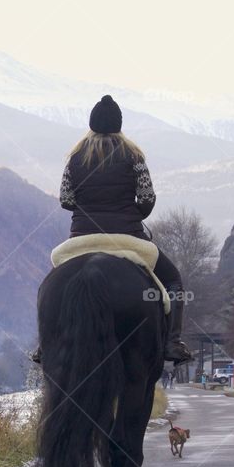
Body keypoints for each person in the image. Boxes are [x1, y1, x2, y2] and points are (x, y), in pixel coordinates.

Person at [56, 95, 192, 364]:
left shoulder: (74, 159)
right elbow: (147, 198)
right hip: (128, 238)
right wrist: (132, 216)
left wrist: (87, 213)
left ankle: (46, 345)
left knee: (52, 288)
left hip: (82, 239)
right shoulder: (133, 156)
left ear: (91, 124)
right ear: (119, 125)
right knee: (174, 281)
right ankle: (172, 343)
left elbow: (66, 200)